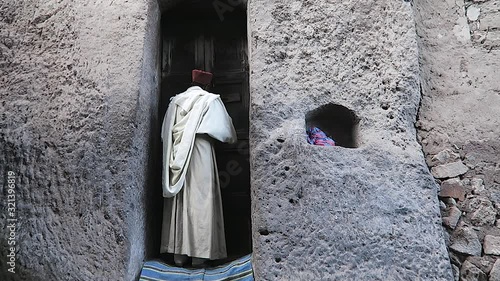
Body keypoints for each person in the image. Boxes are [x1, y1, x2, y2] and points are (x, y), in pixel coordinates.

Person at [160, 69, 237, 267]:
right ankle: (199, 255)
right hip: (201, 151)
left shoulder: (175, 102)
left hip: (177, 153)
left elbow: (164, 133)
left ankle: (178, 254)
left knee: (181, 198)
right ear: (208, 85)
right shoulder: (210, 100)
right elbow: (226, 132)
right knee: (201, 200)